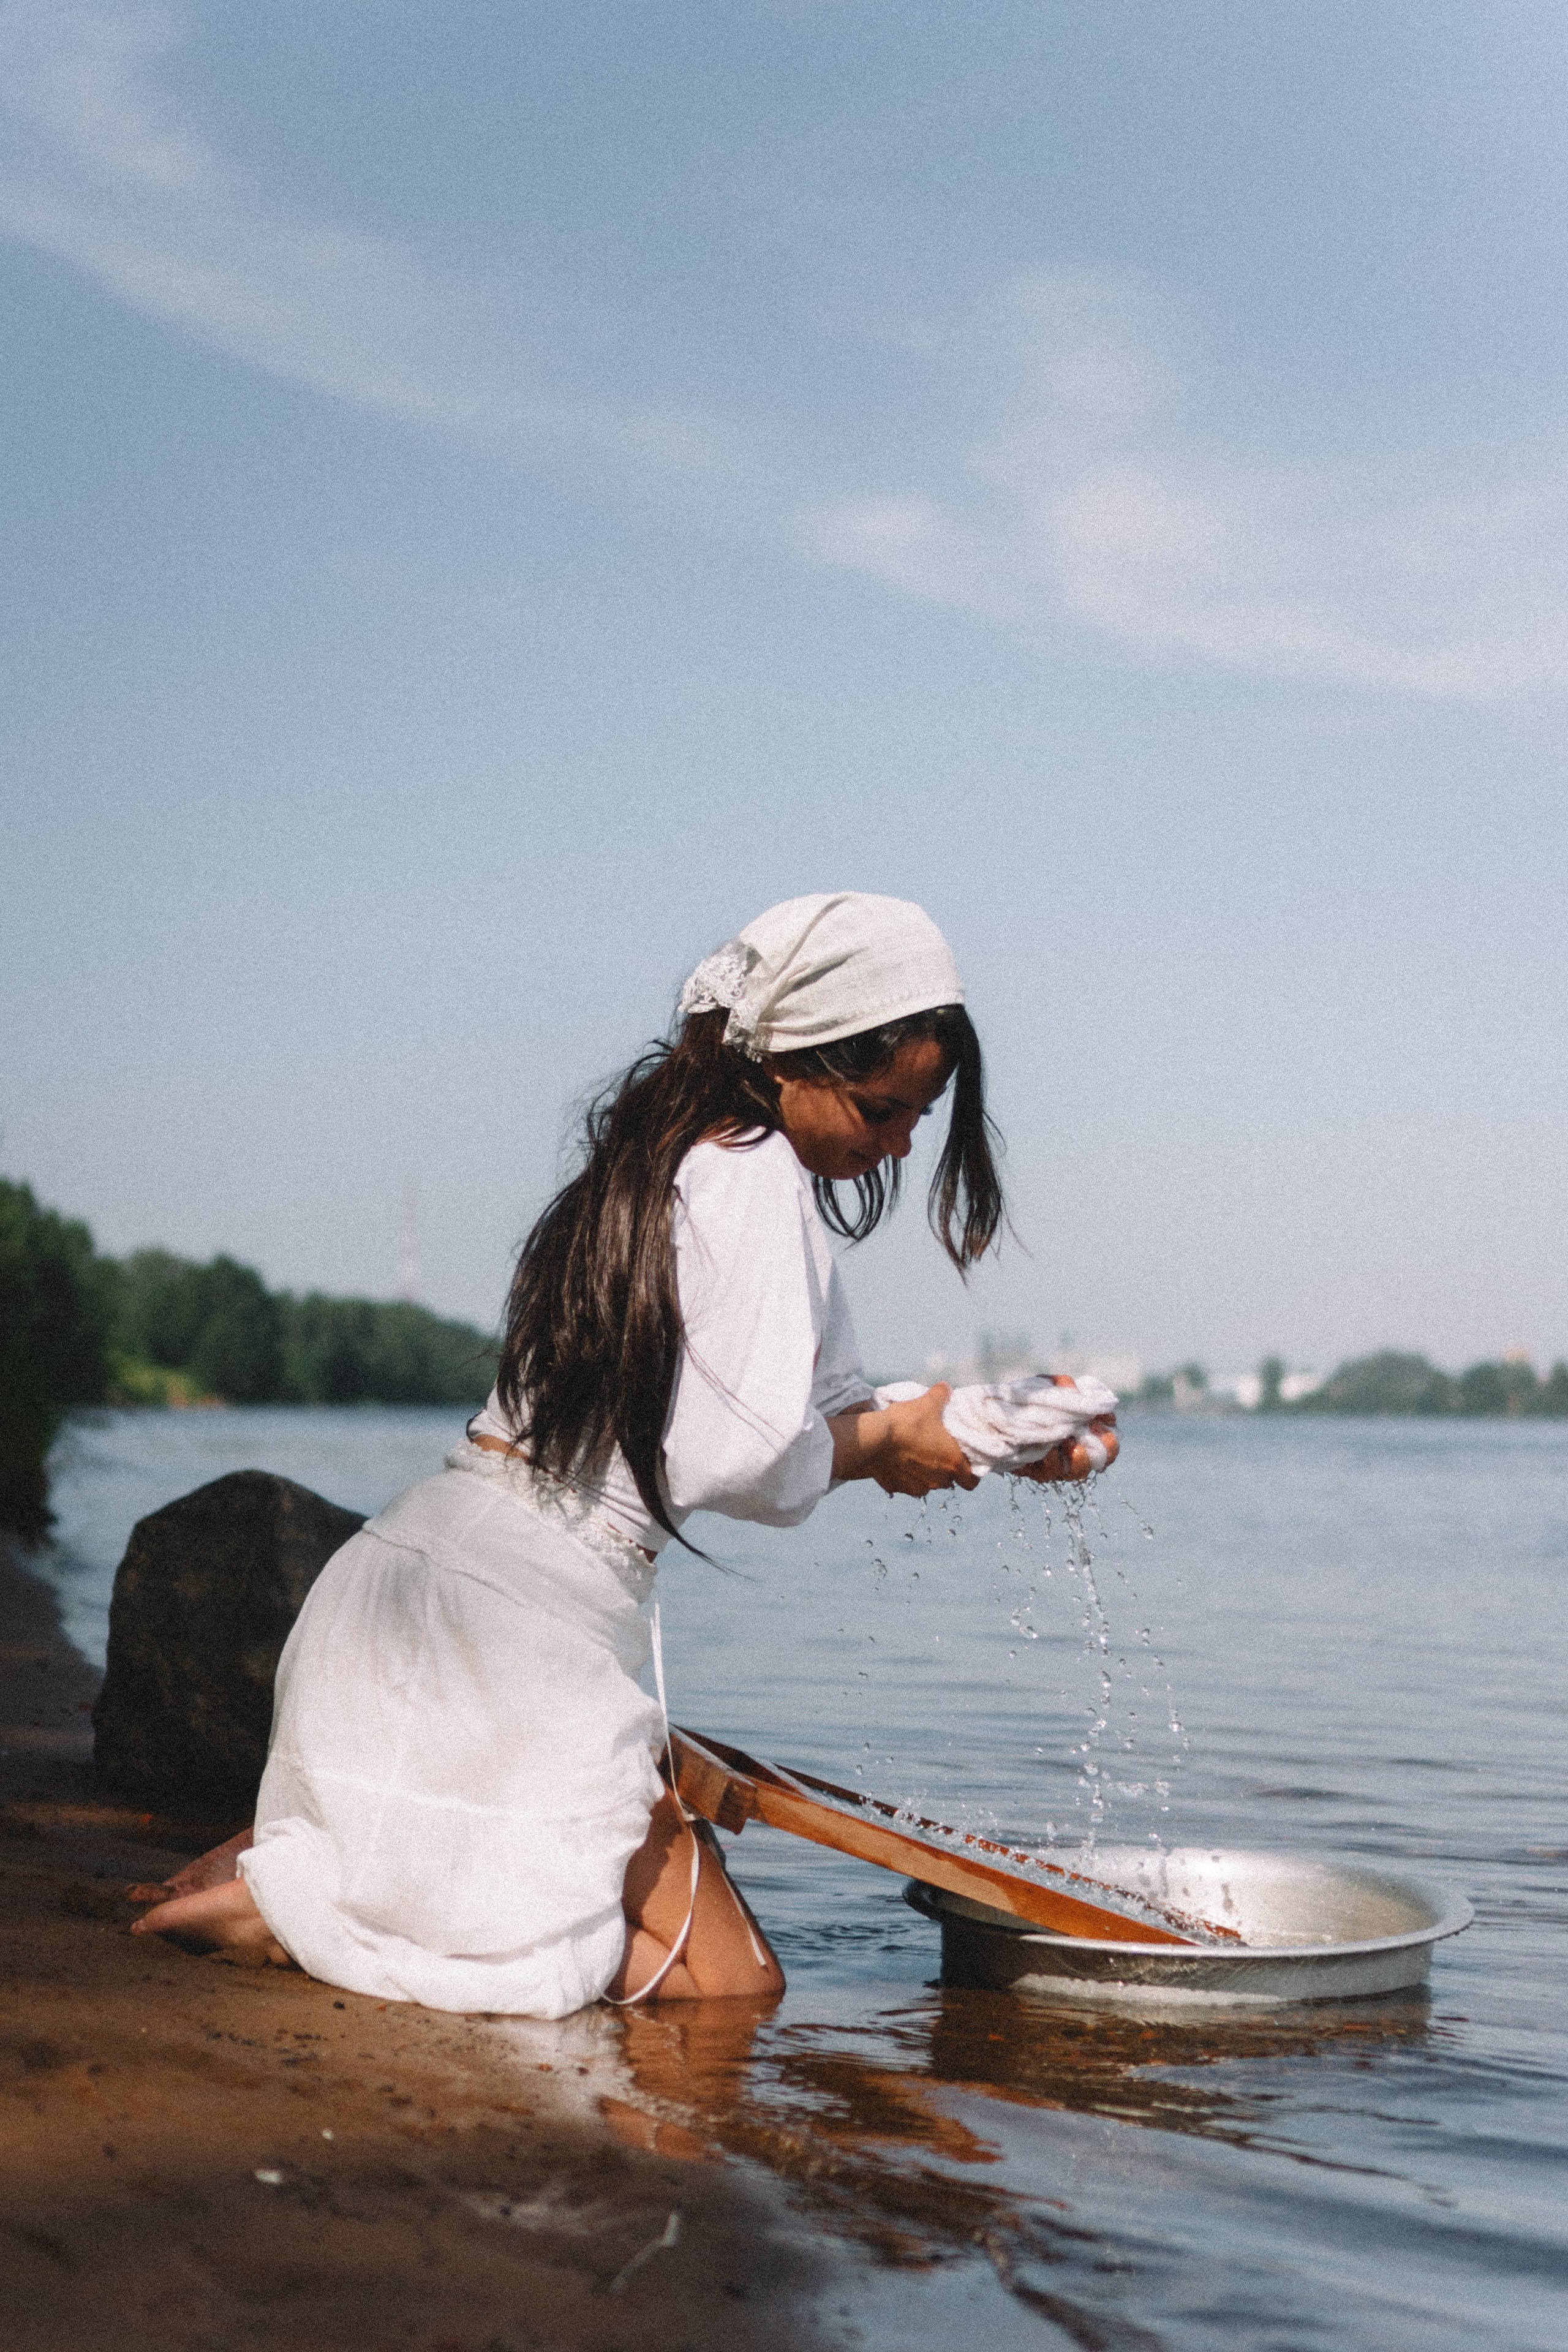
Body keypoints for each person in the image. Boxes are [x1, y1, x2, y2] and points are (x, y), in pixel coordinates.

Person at [134, 893, 1117, 2012]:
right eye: (882, 1108)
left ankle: (327, 1872)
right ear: (793, 1056)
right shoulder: (757, 1173)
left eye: (918, 1118)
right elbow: (740, 1457)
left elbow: (817, 1409)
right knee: (731, 1992)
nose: (898, 1142)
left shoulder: (674, 1156)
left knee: (640, 1945)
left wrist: (997, 1432)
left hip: (404, 1590)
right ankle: (306, 1907)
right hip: (512, 1643)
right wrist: (893, 1437)